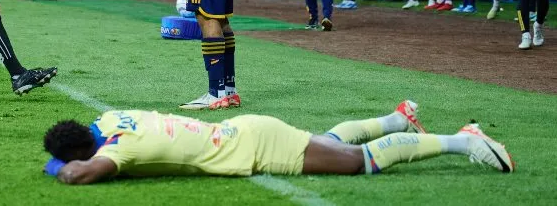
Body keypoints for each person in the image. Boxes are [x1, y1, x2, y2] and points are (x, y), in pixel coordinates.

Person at [42, 101, 513, 184]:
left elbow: (78, 174)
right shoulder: (112, 121)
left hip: (255, 148)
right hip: (246, 131)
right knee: (327, 140)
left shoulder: (117, 154)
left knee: (355, 163)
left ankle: (461, 141)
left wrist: (55, 166)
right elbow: (87, 135)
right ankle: (397, 118)